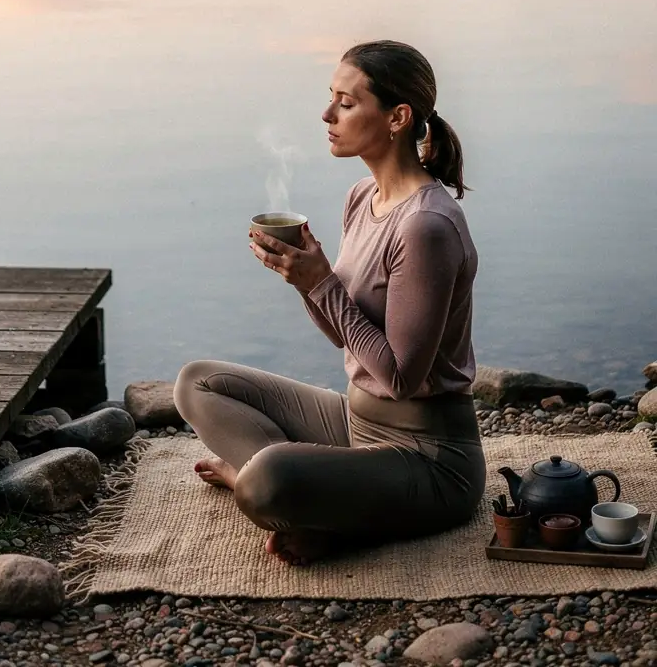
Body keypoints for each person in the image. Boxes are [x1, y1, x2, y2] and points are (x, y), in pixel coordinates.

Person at [174, 40, 485, 566]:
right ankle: (304, 494)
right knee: (196, 382)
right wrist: (303, 280)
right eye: (331, 98)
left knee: (271, 477)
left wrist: (322, 284)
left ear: (398, 117)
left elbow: (401, 378)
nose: (327, 114)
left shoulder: (425, 227)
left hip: (429, 458)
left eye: (345, 102)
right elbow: (349, 334)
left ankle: (283, 494)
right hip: (356, 426)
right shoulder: (362, 198)